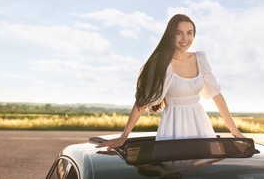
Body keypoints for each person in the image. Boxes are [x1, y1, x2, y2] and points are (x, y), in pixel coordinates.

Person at [97, 14, 244, 150]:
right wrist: (124, 137)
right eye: (178, 33)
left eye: (189, 33)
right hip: (173, 125)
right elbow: (142, 102)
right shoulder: (161, 62)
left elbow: (216, 95)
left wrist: (235, 131)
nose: (185, 38)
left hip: (200, 123)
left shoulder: (200, 59)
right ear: (170, 35)